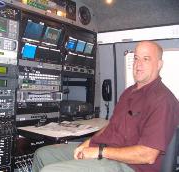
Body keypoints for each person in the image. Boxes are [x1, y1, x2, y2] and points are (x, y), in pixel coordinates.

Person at [31, 40, 179, 172]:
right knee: (42, 154)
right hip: (107, 151)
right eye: (136, 58)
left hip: (130, 166)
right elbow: (111, 126)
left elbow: (147, 155)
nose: (138, 64)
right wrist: (89, 143)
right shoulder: (129, 92)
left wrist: (100, 152)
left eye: (146, 59)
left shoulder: (163, 100)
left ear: (159, 64)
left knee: (52, 170)